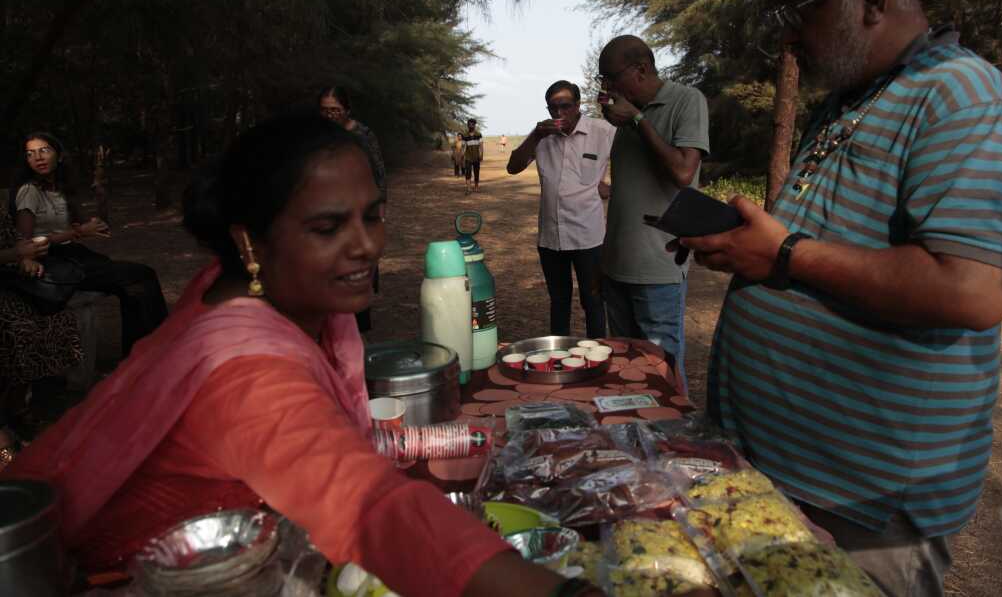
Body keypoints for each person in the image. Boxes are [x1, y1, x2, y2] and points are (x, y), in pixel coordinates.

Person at [4, 114, 602, 597]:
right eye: (327, 227)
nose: (366, 244)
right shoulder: (245, 375)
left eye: (373, 216)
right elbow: (370, 510)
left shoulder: (238, 285)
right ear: (247, 239)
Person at [678, 0, 1002, 597]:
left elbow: (972, 289)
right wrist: (745, 244)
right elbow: (831, 237)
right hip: (785, 480)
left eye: (800, 10)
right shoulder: (855, 99)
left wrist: (783, 251)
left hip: (862, 508)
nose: (788, 34)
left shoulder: (964, 97)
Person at [597, 35, 709, 387]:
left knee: (662, 373)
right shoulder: (627, 118)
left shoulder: (686, 101)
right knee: (626, 372)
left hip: (657, 268)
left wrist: (638, 121)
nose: (608, 87)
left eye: (612, 78)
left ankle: (673, 441)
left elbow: (682, 173)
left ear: (641, 70)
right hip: (616, 265)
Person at [11, 132, 168, 357]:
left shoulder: (58, 188)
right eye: (30, 154)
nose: (38, 157)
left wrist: (93, 216)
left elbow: (76, 225)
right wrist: (78, 232)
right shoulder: (29, 191)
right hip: (52, 260)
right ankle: (146, 356)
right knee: (141, 276)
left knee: (134, 284)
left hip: (73, 254)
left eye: (44, 150)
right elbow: (25, 241)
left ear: (59, 155)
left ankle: (142, 355)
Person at [507, 80, 614, 338]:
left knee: (593, 301)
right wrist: (536, 135)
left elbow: (632, 161)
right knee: (559, 301)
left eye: (565, 106)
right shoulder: (541, 136)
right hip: (551, 237)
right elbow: (513, 167)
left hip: (588, 236)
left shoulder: (603, 132)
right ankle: (560, 357)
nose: (558, 113)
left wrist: (611, 188)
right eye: (552, 107)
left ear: (578, 105)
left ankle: (596, 353)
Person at [0, 203, 82, 469]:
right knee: (13, 327)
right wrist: (14, 253)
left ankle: (16, 407)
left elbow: (11, 237)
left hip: (6, 281)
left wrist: (24, 256)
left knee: (48, 319)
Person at [318, 87, 385, 334]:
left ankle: (358, 327)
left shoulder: (362, 135)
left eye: (334, 110)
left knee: (359, 264)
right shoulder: (316, 136)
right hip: (325, 207)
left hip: (359, 206)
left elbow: (378, 172)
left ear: (347, 110)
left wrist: (378, 209)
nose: (330, 115)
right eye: (324, 110)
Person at [461, 118, 484, 194]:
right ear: (467, 125)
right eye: (469, 124)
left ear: (474, 125)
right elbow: (464, 146)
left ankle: (476, 187)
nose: (471, 126)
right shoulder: (465, 135)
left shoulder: (478, 134)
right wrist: (462, 156)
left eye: (472, 124)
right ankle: (469, 188)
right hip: (468, 158)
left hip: (476, 157)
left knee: (476, 172)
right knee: (468, 172)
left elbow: (481, 146)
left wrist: (481, 155)